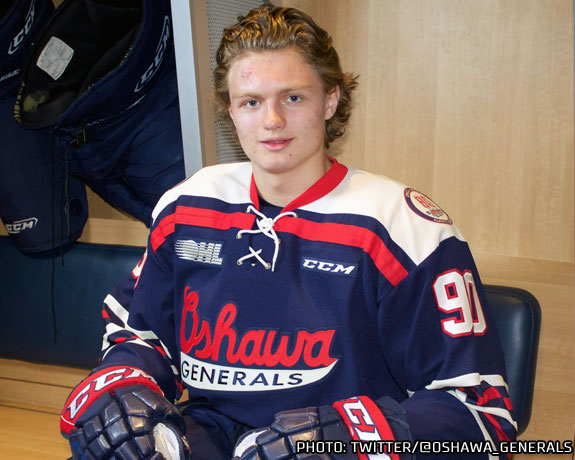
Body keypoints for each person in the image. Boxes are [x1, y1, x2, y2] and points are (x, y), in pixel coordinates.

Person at [60, 4, 517, 460]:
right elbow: (139, 336)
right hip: (214, 433)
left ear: (331, 100)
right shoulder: (189, 205)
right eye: (251, 102)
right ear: (230, 111)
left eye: (293, 98)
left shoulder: (402, 226)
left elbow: (483, 419)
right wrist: (124, 385)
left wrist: (348, 436)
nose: (272, 121)